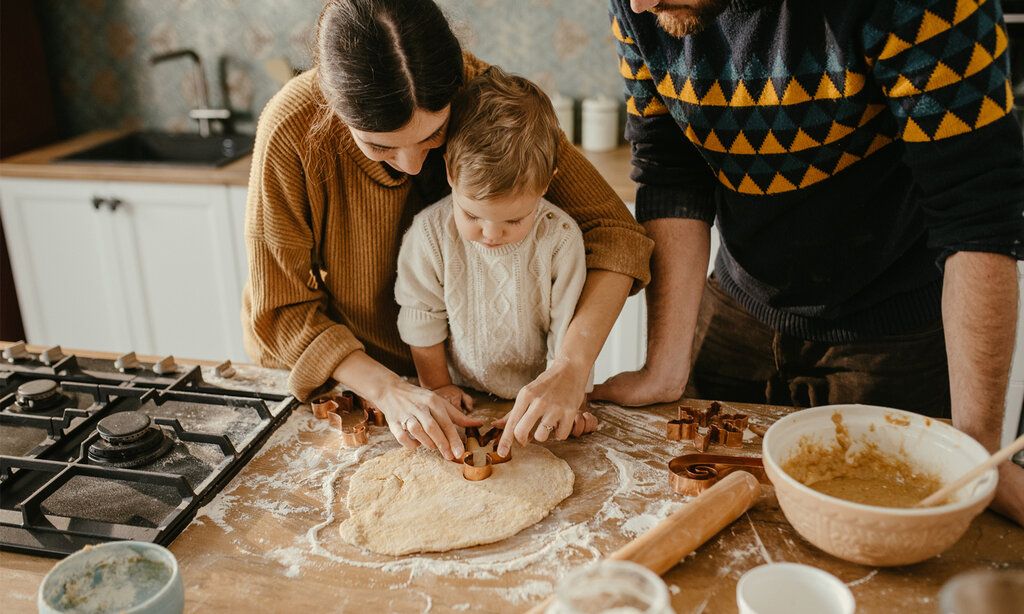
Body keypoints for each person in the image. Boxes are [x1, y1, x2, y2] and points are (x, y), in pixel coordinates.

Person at [593, 0, 1024, 526]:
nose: (639, 3)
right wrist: (663, 367)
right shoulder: (645, 4)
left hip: (891, 334)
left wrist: (976, 450)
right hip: (736, 308)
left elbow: (976, 214)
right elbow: (671, 170)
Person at [242, 0, 652, 462]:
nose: (413, 165)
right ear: (336, 111)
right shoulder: (291, 128)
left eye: (433, 136)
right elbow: (282, 310)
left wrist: (571, 367)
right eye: (379, 145)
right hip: (353, 383)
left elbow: (617, 234)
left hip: (465, 391)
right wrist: (390, 390)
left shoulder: (487, 99)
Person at [395, 67, 599, 443]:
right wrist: (438, 386)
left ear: (547, 182)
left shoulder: (560, 239)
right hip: (463, 396)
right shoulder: (429, 234)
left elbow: (567, 332)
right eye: (472, 215)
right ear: (451, 174)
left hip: (538, 395)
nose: (490, 234)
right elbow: (421, 317)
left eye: (514, 219)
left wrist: (575, 399)